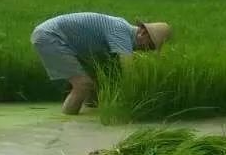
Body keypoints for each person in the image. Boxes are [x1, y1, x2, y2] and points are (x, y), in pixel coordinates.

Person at [30, 12, 172, 115]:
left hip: (60, 39)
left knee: (95, 84)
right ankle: (66, 124)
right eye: (151, 46)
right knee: (82, 84)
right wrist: (138, 95)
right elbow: (128, 69)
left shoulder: (120, 32)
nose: (148, 50)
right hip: (51, 36)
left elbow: (103, 69)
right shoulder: (120, 30)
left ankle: (86, 112)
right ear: (143, 33)